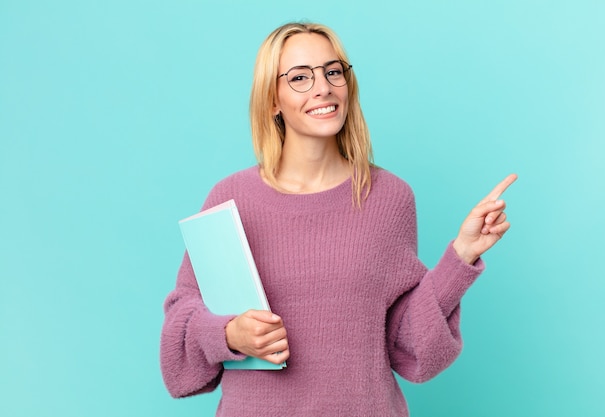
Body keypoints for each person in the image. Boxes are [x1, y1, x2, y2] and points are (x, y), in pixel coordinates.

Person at [160, 21, 517, 416]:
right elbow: (181, 333)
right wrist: (229, 334)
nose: (323, 87)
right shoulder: (230, 198)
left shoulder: (390, 198)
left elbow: (408, 346)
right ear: (272, 100)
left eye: (333, 72)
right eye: (299, 77)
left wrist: (462, 256)